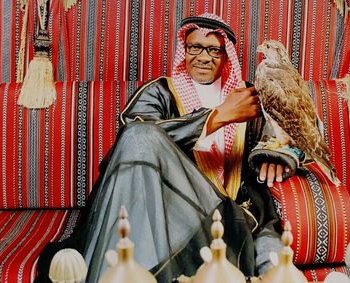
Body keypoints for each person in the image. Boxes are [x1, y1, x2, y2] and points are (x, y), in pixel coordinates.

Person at [35, 13, 302, 283]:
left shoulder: (249, 95)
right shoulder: (159, 92)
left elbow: (305, 123)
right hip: (166, 206)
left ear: (225, 56)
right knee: (138, 135)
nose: (203, 57)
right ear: (184, 50)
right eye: (194, 47)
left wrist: (280, 152)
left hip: (225, 214)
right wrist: (217, 117)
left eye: (213, 50)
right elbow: (135, 139)